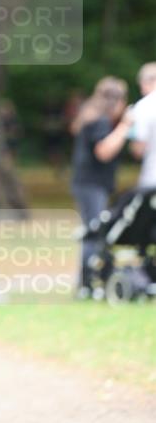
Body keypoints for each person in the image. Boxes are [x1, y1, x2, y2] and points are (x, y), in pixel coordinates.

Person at [69, 76, 129, 297]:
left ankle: (87, 282)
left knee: (92, 230)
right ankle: (86, 283)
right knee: (94, 231)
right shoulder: (100, 121)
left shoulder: (91, 117)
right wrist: (124, 127)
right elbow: (104, 151)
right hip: (91, 184)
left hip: (87, 183)